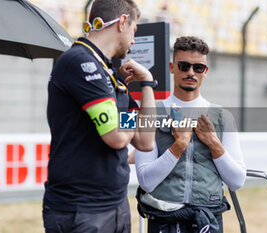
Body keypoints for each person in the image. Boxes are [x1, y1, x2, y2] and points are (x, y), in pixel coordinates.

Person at [43, 0, 157, 232]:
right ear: (123, 22)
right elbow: (116, 136)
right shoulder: (80, 62)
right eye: (134, 31)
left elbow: (145, 141)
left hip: (115, 204)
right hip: (80, 210)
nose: (134, 41)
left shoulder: (110, 73)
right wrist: (127, 109)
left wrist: (147, 84)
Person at [135, 36, 246, 233]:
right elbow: (146, 181)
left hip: (207, 220)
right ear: (172, 67)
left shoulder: (223, 116)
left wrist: (214, 144)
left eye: (198, 68)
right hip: (164, 220)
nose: (191, 73)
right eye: (184, 65)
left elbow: (237, 181)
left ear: (206, 71)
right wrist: (179, 145)